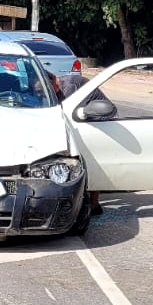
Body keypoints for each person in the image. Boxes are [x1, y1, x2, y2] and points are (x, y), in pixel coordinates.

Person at [56, 70, 104, 217]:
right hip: (86, 118)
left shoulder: (68, 87)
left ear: (53, 82)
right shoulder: (59, 85)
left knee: (90, 162)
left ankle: (93, 203)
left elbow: (67, 114)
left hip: (99, 121)